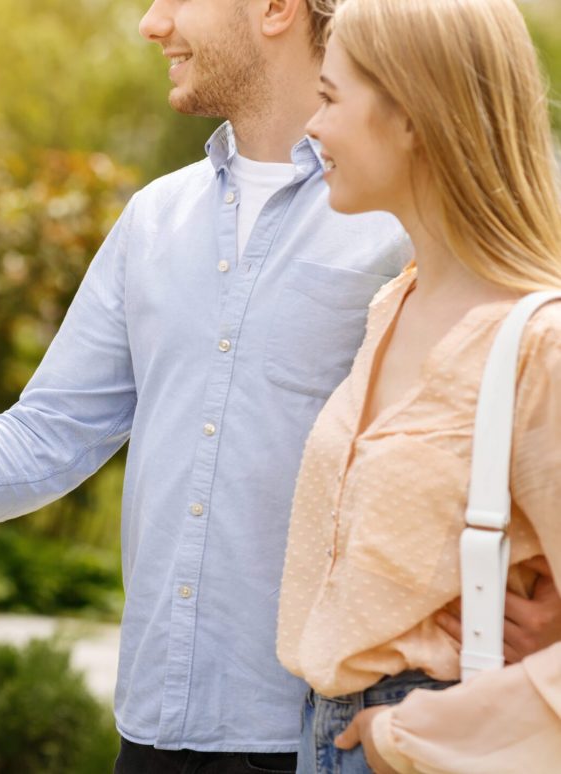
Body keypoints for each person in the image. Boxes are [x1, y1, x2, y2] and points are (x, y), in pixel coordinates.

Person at [0, 0, 558, 770]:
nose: (152, 23)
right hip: (156, 728)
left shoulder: (411, 217)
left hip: (326, 732)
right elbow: (44, 437)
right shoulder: (158, 219)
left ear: (273, 7)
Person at [274, 0, 561, 770]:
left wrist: (410, 735)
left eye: (331, 98)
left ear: (413, 114)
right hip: (326, 737)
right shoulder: (392, 304)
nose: (312, 127)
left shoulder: (541, 343)